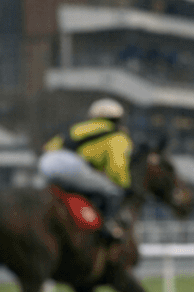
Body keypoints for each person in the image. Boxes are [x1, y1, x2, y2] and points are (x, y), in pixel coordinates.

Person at [38, 98, 133, 242]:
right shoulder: (118, 136)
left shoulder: (78, 128)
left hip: (47, 161)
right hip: (71, 165)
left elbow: (48, 147)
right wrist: (124, 186)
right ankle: (108, 226)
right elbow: (116, 167)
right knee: (114, 191)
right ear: (119, 119)